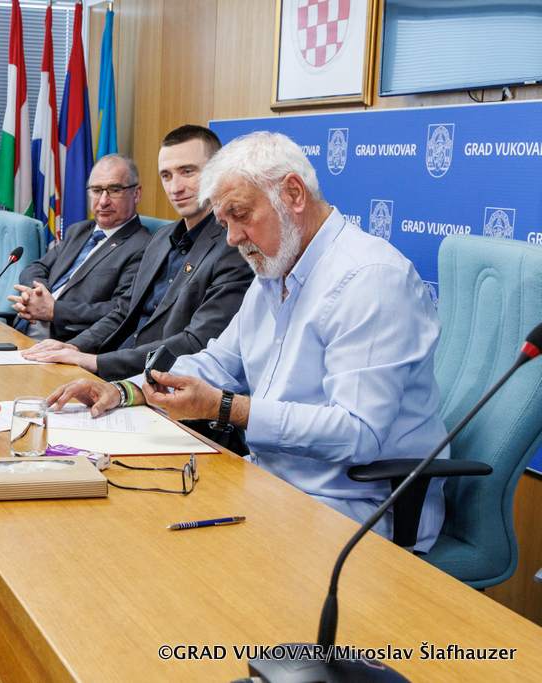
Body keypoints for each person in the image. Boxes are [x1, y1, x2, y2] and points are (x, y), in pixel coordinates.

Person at [48, 131, 449, 551]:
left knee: (168, 555)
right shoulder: (273, 268)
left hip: (352, 508)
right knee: (127, 519)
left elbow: (357, 433)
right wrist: (124, 391)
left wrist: (226, 407)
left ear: (293, 194)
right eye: (223, 223)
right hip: (267, 483)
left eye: (240, 215)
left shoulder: (370, 280)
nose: (232, 238)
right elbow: (217, 363)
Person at [22, 125, 253, 380]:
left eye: (188, 171)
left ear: (218, 172)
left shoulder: (234, 247)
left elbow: (196, 342)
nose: (175, 188)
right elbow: (123, 313)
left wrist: (96, 362)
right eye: (166, 175)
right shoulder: (161, 237)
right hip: (112, 369)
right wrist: (74, 347)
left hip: (156, 382)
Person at [7, 154, 150, 342]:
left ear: (136, 193)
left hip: (64, 343)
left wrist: (54, 310)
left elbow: (119, 310)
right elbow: (36, 267)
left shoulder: (143, 246)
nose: (103, 201)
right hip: (20, 331)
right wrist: (39, 295)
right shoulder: (79, 231)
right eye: (96, 190)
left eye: (114, 190)